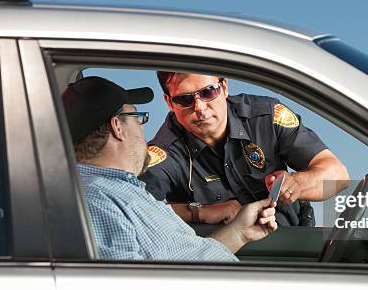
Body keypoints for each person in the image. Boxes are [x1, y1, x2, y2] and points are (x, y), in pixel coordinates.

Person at [62, 76, 277, 262]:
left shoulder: (123, 192)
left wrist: (240, 233)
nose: (143, 127)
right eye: (138, 118)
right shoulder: (97, 203)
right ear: (117, 127)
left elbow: (185, 258)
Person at [139, 72, 350, 226]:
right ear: (169, 102)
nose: (200, 108)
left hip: (290, 248)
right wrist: (201, 213)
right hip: (219, 264)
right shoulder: (162, 153)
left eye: (208, 92)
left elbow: (338, 176)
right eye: (185, 99)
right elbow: (133, 210)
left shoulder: (266, 117)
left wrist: (296, 184)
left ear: (224, 86)